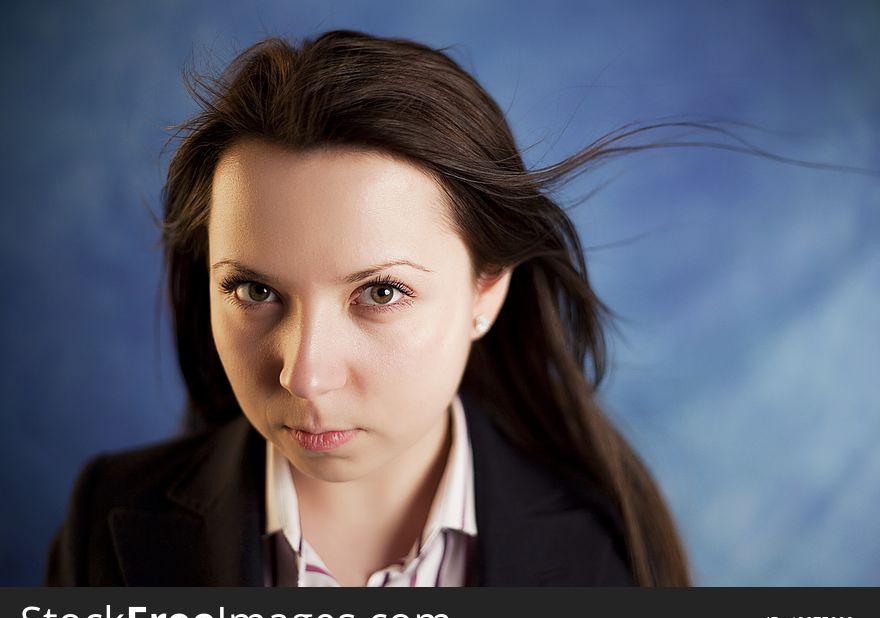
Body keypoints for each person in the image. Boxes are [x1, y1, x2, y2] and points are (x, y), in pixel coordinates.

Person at [46, 29, 691, 587]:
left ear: (486, 290)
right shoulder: (107, 523)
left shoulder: (610, 551)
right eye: (254, 290)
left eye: (380, 292)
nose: (303, 376)